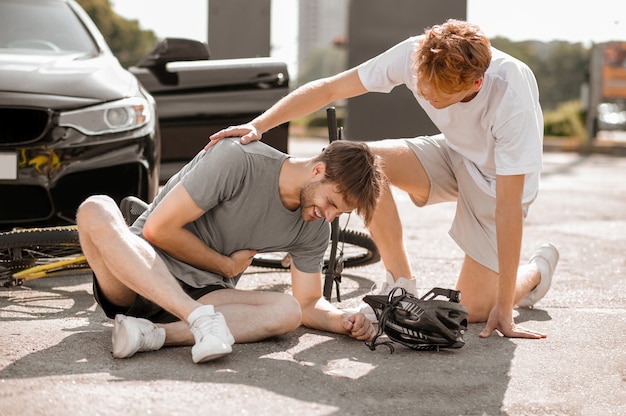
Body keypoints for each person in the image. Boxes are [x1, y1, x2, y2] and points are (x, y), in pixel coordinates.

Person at [208, 19, 560, 340]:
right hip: (454, 154)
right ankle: (401, 283)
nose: (427, 96)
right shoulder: (415, 54)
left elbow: (510, 208)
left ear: (476, 82)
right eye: (422, 87)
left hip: (498, 181)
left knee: (476, 311)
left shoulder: (511, 94)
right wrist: (260, 124)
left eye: (438, 95)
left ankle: (534, 273)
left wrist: (505, 310)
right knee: (365, 160)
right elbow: (331, 88)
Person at [77, 138, 383, 363]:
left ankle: (153, 334)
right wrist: (225, 267)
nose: (329, 216)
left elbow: (309, 302)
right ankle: (197, 320)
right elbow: (158, 230)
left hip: (207, 294)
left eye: (339, 213)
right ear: (318, 170)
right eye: (330, 203)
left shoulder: (314, 226)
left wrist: (342, 320)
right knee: (95, 207)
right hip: (139, 271)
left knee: (287, 311)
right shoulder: (238, 159)